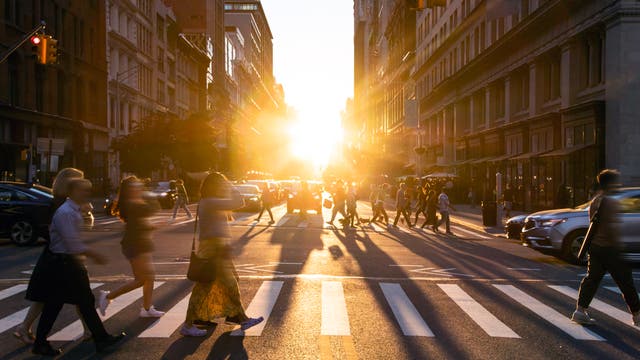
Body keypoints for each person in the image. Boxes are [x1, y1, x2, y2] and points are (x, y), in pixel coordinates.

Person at [25, 179, 124, 356]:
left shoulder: (73, 211)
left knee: (77, 303)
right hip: (64, 264)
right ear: (72, 192)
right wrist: (95, 255)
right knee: (62, 304)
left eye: (88, 190)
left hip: (68, 263)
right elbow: (72, 244)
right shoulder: (66, 213)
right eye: (83, 190)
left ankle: (100, 338)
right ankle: (100, 339)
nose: (87, 193)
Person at [14, 168, 92, 344]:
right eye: (79, 183)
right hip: (62, 258)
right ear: (71, 184)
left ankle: (26, 329)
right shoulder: (62, 205)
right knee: (76, 296)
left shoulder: (60, 202)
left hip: (59, 256)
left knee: (59, 296)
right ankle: (32, 333)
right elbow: (68, 232)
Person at [181, 172, 264, 336]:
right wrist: (230, 185)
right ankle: (190, 324)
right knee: (214, 286)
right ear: (214, 186)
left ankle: (234, 316)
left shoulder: (212, 202)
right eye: (221, 184)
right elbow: (239, 201)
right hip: (213, 249)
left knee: (223, 284)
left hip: (218, 248)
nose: (223, 187)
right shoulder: (210, 202)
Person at [572, 169, 640, 326]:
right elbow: (611, 228)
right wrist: (619, 246)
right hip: (610, 249)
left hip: (595, 247)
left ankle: (580, 310)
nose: (619, 184)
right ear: (611, 184)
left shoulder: (596, 200)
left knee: (592, 279)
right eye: (616, 182)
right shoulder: (611, 202)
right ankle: (637, 314)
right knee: (625, 282)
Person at [98, 176, 164, 318]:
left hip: (140, 243)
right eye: (136, 185)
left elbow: (138, 223)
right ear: (129, 189)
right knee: (141, 279)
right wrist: (150, 194)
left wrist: (149, 226)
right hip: (135, 245)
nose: (139, 187)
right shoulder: (133, 203)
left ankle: (146, 309)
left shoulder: (134, 202)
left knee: (150, 277)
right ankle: (108, 296)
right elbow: (153, 208)